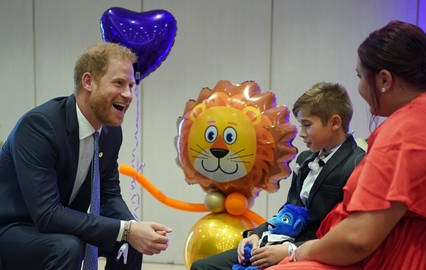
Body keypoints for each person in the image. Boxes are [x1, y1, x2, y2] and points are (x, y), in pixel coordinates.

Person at [267, 20, 426, 270]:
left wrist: (302, 251)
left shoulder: (407, 131)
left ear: (384, 80)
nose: (301, 134)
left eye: (359, 76)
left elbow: (358, 239)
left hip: (420, 254)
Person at [0, 43, 172, 270]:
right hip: (14, 229)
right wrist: (127, 230)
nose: (129, 94)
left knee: (130, 244)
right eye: (119, 83)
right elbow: (47, 214)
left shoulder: (110, 132)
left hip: (61, 227)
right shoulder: (40, 126)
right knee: (68, 246)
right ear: (88, 81)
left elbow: (109, 196)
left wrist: (133, 229)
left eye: (131, 85)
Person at [190, 82, 365, 270]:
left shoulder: (357, 164)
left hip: (312, 254)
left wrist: (289, 250)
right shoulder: (305, 159)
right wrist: (255, 235)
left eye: (307, 125)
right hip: (279, 242)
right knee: (202, 267)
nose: (302, 134)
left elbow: (345, 232)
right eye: (300, 125)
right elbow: (289, 211)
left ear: (335, 123)